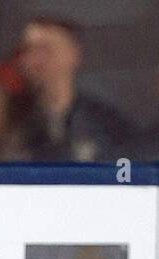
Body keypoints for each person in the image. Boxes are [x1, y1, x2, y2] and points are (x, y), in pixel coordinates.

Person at [13, 16, 130, 162]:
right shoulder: (9, 122)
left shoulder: (108, 126)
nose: (36, 59)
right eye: (29, 50)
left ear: (73, 55)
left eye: (46, 49)